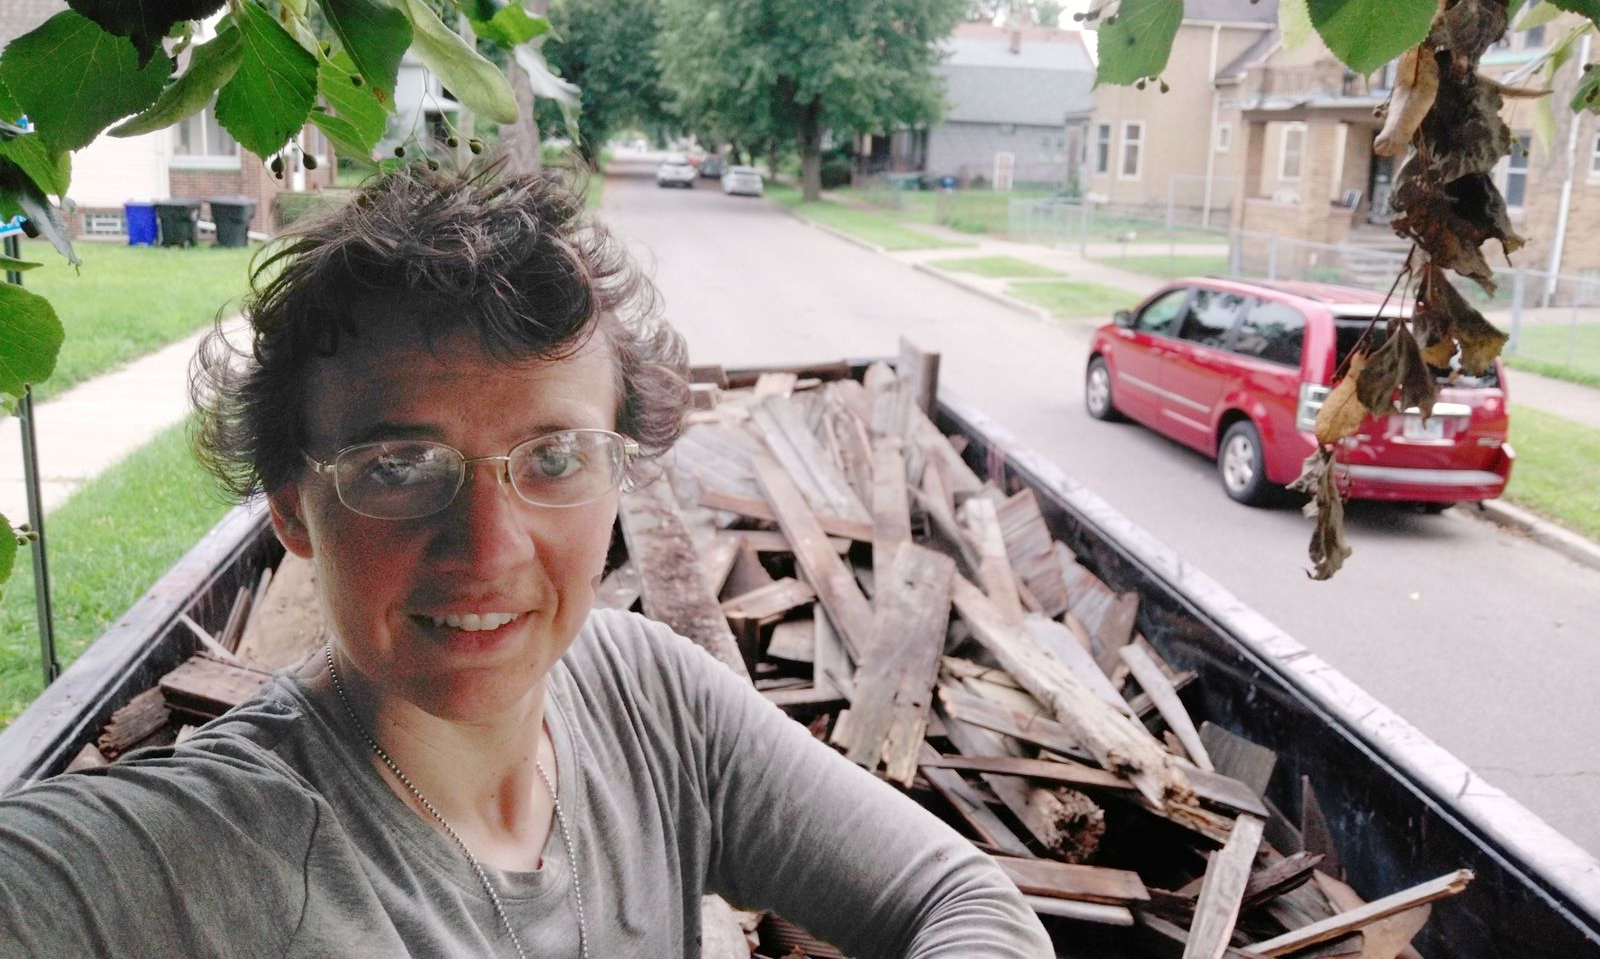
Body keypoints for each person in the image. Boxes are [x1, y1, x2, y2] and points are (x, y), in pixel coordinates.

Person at [0, 164, 1050, 957]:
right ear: (292, 509)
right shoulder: (206, 857)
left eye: (553, 457)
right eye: (400, 464)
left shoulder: (647, 697)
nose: (489, 548)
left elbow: (965, 902)